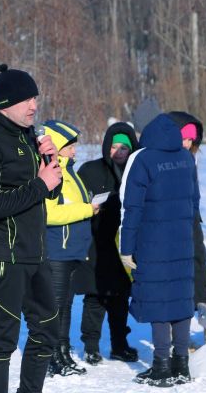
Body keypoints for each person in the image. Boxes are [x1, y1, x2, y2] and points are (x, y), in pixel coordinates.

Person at [0, 64, 62, 393]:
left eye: (35, 98)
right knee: (4, 338)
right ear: (6, 104)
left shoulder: (29, 137)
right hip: (2, 255)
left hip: (35, 251)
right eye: (26, 100)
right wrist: (39, 184)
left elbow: (49, 189)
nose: (34, 105)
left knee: (47, 331)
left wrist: (51, 166)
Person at [119, 113, 196, 387]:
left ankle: (161, 366)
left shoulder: (143, 160)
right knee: (180, 299)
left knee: (159, 302)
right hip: (183, 240)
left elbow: (133, 209)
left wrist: (126, 248)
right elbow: (194, 202)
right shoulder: (186, 158)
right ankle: (182, 364)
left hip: (152, 243)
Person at [73, 121, 139, 366]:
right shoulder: (90, 170)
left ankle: (119, 345)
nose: (119, 152)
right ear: (106, 147)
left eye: (124, 147)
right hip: (96, 243)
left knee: (120, 297)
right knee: (95, 297)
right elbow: (76, 201)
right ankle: (90, 346)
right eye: (114, 146)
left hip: (124, 243)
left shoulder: (137, 171)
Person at [41, 120, 97, 377]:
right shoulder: (50, 171)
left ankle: (62, 352)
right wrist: (88, 209)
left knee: (65, 307)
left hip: (73, 251)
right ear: (58, 146)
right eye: (70, 146)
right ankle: (51, 358)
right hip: (57, 252)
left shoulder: (71, 172)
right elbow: (50, 213)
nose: (74, 151)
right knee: (55, 308)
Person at [168, 111, 206, 307]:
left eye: (190, 139)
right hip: (170, 222)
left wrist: (195, 214)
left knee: (198, 263)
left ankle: (201, 305)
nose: (186, 143)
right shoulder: (163, 159)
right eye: (183, 138)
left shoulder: (190, 159)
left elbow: (194, 192)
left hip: (191, 219)